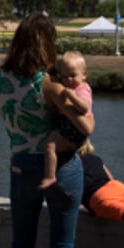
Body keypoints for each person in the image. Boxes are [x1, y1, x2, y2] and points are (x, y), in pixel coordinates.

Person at [0, 12, 95, 248]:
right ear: (47, 44)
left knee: (20, 247)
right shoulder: (50, 86)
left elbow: (8, 121)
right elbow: (85, 128)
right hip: (60, 168)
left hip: (20, 166)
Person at [39, 51, 93, 192]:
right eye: (64, 77)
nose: (69, 80)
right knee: (52, 145)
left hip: (73, 127)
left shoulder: (82, 89)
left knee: (50, 146)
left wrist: (71, 96)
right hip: (66, 123)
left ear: (84, 75)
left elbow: (84, 108)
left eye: (73, 76)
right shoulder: (71, 86)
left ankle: (50, 176)